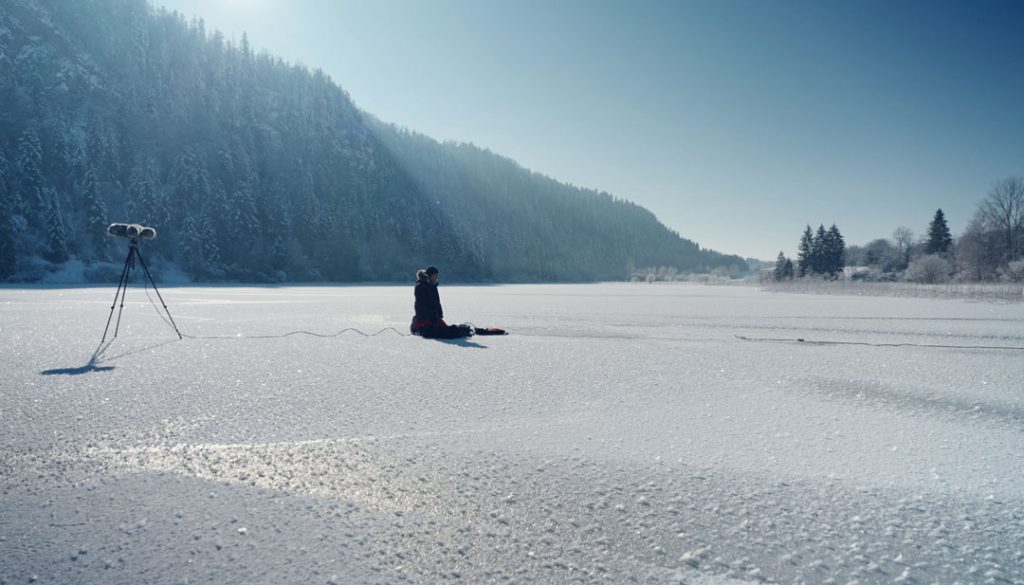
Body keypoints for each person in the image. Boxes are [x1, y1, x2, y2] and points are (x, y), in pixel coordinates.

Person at [410, 266, 473, 338]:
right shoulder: (421, 286)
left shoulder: (433, 286)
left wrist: (439, 313)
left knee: (446, 330)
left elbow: (436, 302)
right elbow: (420, 305)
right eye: (434, 275)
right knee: (438, 333)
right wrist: (430, 316)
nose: (436, 277)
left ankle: (462, 330)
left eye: (437, 276)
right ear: (429, 276)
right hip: (423, 318)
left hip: (433, 317)